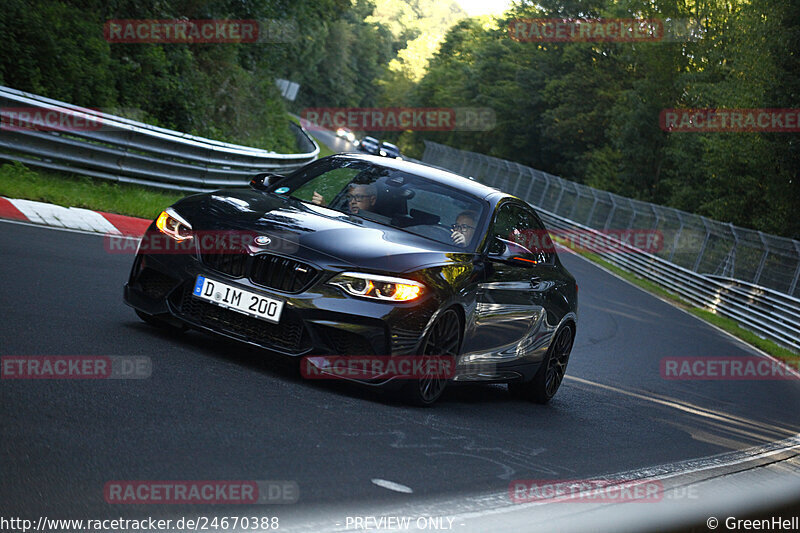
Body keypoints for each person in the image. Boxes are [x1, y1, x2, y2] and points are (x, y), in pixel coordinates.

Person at [312, 182, 377, 215]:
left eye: (358, 197)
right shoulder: (343, 214)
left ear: (372, 200)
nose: (352, 202)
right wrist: (324, 208)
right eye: (349, 197)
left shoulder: (380, 224)